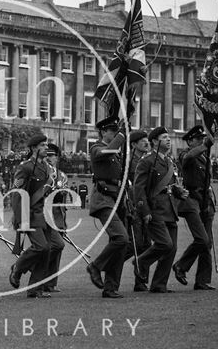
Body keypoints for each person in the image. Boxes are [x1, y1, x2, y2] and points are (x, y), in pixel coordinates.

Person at [133, 127, 188, 293]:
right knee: (165, 243)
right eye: (164, 137)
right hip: (155, 208)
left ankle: (159, 284)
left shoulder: (169, 161)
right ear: (155, 142)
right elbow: (139, 189)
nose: (169, 140)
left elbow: (170, 186)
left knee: (172, 248)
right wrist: (145, 211)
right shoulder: (147, 161)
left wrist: (179, 191)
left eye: (168, 137)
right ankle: (141, 262)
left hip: (170, 208)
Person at [85, 117, 130, 298]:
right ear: (104, 132)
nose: (115, 135)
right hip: (103, 199)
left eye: (116, 131)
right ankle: (95, 266)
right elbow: (103, 153)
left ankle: (111, 287)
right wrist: (122, 135)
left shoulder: (115, 152)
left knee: (119, 244)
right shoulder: (96, 147)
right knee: (121, 238)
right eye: (112, 131)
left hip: (116, 199)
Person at [173, 125, 217, 291]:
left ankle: (202, 280)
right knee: (202, 239)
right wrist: (205, 145)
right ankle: (181, 266)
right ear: (190, 141)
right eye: (198, 139)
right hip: (191, 200)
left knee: (207, 243)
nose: (201, 142)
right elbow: (189, 157)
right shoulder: (186, 154)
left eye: (202, 139)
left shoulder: (205, 157)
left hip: (205, 201)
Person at [8, 134, 53, 299]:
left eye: (47, 144)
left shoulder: (47, 168)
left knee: (46, 251)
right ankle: (17, 268)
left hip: (44, 214)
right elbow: (17, 194)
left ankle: (35, 289)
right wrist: (20, 219)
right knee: (42, 247)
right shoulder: (25, 167)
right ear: (34, 148)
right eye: (43, 145)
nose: (46, 147)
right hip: (30, 213)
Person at [124, 130, 152, 292]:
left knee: (147, 245)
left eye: (147, 140)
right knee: (135, 244)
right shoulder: (129, 162)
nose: (147, 143)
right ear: (134, 145)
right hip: (133, 206)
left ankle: (141, 282)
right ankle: (107, 265)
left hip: (146, 206)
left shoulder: (147, 159)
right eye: (143, 141)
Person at [43, 143, 67, 293]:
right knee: (53, 247)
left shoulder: (62, 175)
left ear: (57, 158)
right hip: (46, 216)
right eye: (47, 155)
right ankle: (32, 269)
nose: (49, 158)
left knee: (57, 251)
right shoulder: (43, 174)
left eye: (52, 155)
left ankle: (51, 283)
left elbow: (64, 192)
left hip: (59, 216)